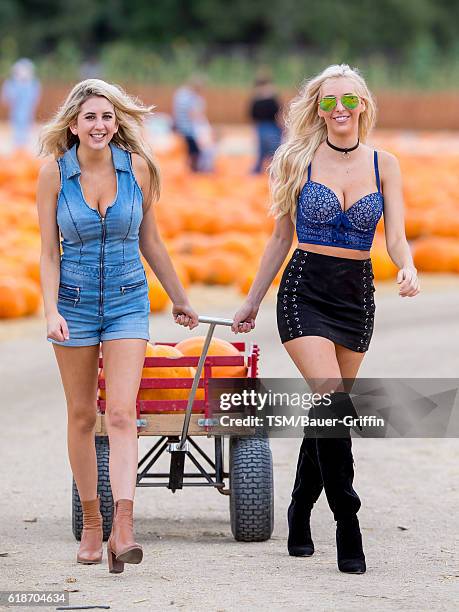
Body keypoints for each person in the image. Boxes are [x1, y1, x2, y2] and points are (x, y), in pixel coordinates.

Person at [231, 64, 420, 574]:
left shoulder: (386, 164)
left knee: (328, 414)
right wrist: (251, 301)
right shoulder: (296, 159)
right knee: (332, 398)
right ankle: (347, 522)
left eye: (349, 101)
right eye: (329, 101)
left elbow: (396, 236)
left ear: (363, 105)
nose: (339, 110)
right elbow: (278, 239)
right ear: (317, 108)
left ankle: (298, 509)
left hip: (356, 295)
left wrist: (406, 265)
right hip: (304, 290)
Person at [36, 79, 199, 573]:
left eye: (106, 117)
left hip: (129, 301)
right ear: (73, 124)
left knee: (124, 413)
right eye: (89, 117)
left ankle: (123, 527)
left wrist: (179, 298)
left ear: (116, 122)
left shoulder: (139, 170)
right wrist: (50, 310)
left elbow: (151, 241)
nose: (100, 125)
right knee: (84, 416)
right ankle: (91, 522)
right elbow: (47, 252)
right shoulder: (53, 175)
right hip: (75, 303)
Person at [172, 75, 213, 172]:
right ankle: (194, 169)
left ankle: (192, 169)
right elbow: (194, 114)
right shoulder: (191, 98)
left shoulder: (181, 95)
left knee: (191, 149)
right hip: (190, 128)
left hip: (183, 126)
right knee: (195, 150)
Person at [1, 58, 41, 149]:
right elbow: (6, 99)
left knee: (26, 133)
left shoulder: (33, 84)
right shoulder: (11, 84)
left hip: (27, 114)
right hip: (15, 115)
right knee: (16, 134)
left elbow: (34, 98)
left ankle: (23, 146)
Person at [249, 73, 282, 174]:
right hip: (272, 126)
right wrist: (282, 126)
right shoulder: (272, 99)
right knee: (274, 150)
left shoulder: (256, 100)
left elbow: (252, 115)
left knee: (262, 150)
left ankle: (258, 169)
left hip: (261, 126)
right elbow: (278, 113)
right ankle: (274, 170)